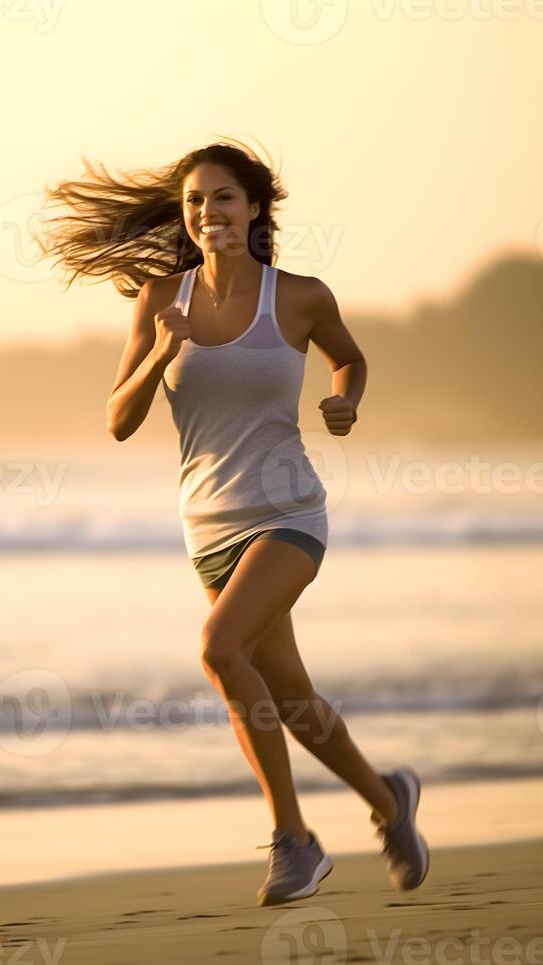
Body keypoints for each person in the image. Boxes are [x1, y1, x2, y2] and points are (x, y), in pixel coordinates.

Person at [37, 138, 429, 906]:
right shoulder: (161, 301)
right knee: (288, 697)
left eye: (222, 198)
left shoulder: (300, 296)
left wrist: (345, 400)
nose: (207, 212)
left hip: (289, 515)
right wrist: (157, 356)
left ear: (253, 209)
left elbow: (348, 358)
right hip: (207, 531)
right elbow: (118, 421)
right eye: (194, 201)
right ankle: (389, 801)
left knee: (219, 649)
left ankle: (295, 840)